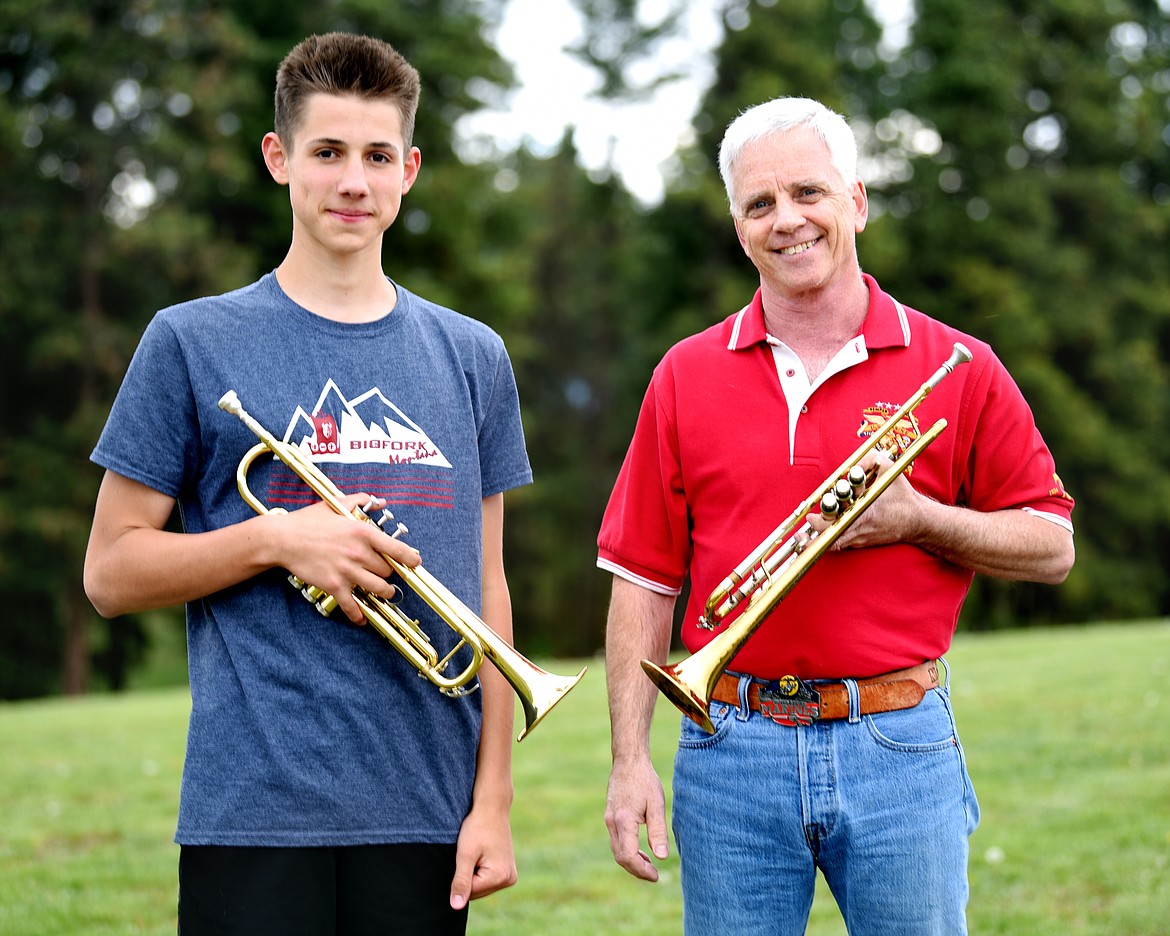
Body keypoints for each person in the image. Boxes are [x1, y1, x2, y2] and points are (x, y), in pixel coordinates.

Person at [84, 32, 528, 934]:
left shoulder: (474, 356)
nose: (352, 182)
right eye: (327, 152)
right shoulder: (188, 341)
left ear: (409, 170)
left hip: (426, 814)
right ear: (279, 158)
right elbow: (110, 573)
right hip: (252, 814)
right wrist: (278, 538)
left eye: (375, 156)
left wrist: (494, 803)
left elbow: (488, 592)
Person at [598, 96, 1075, 935]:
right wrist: (628, 760)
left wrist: (923, 519)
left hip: (898, 741)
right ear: (739, 227)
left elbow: (1052, 546)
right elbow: (642, 579)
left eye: (808, 193)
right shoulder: (684, 374)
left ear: (856, 200)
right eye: (760, 204)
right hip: (728, 749)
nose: (787, 221)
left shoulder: (959, 365)